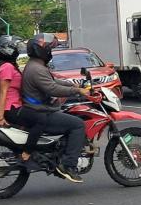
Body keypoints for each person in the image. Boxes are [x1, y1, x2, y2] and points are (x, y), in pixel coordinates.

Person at [21, 32, 92, 183]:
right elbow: (52, 89)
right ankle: (68, 165)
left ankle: (62, 153)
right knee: (78, 125)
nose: (50, 51)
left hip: (41, 109)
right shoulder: (37, 69)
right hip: (41, 112)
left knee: (71, 116)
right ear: (41, 49)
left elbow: (53, 83)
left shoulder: (35, 66)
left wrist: (73, 85)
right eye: (49, 48)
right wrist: (77, 91)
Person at [0, 36, 39, 162]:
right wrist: (0, 117)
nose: (17, 51)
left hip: (14, 106)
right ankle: (27, 153)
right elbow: (3, 92)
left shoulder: (8, 65)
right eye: (15, 49)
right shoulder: (7, 67)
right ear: (6, 50)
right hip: (10, 108)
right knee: (41, 120)